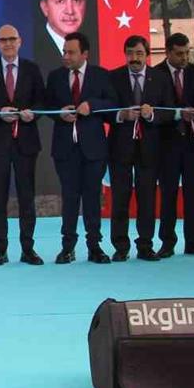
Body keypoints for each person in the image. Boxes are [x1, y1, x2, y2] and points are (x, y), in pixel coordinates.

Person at [0, 24, 45, 265]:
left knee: (27, 198)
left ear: (20, 41)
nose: (8, 43)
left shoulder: (32, 69)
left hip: (26, 143)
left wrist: (33, 113)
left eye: (12, 39)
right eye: (3, 40)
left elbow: (42, 101)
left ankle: (28, 249)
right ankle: (0, 250)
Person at [45, 31, 116, 264]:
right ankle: (67, 247)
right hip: (65, 149)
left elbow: (112, 104)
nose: (66, 56)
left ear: (85, 54)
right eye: (64, 52)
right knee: (69, 197)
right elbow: (47, 106)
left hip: (93, 149)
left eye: (71, 52)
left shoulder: (101, 75)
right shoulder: (55, 77)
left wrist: (92, 105)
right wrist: (59, 113)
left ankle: (94, 246)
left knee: (92, 197)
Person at [107, 35, 174, 261]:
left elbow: (169, 111)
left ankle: (145, 245)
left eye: (139, 53)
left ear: (147, 55)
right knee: (120, 198)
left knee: (147, 199)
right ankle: (120, 246)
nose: (134, 58)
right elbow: (104, 110)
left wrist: (152, 114)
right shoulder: (113, 77)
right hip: (120, 148)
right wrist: (121, 114)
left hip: (150, 148)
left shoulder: (160, 78)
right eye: (130, 53)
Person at [154, 33, 194, 257]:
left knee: (193, 194)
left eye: (188, 53)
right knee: (168, 194)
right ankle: (167, 242)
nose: (185, 58)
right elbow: (156, 110)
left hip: (193, 142)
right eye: (179, 54)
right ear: (168, 52)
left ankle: (193, 241)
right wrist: (179, 114)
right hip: (166, 144)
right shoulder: (156, 74)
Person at [34, 0, 88, 74]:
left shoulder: (96, 47)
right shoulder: (31, 50)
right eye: (60, 1)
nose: (70, 11)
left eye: (76, 1)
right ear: (45, 8)